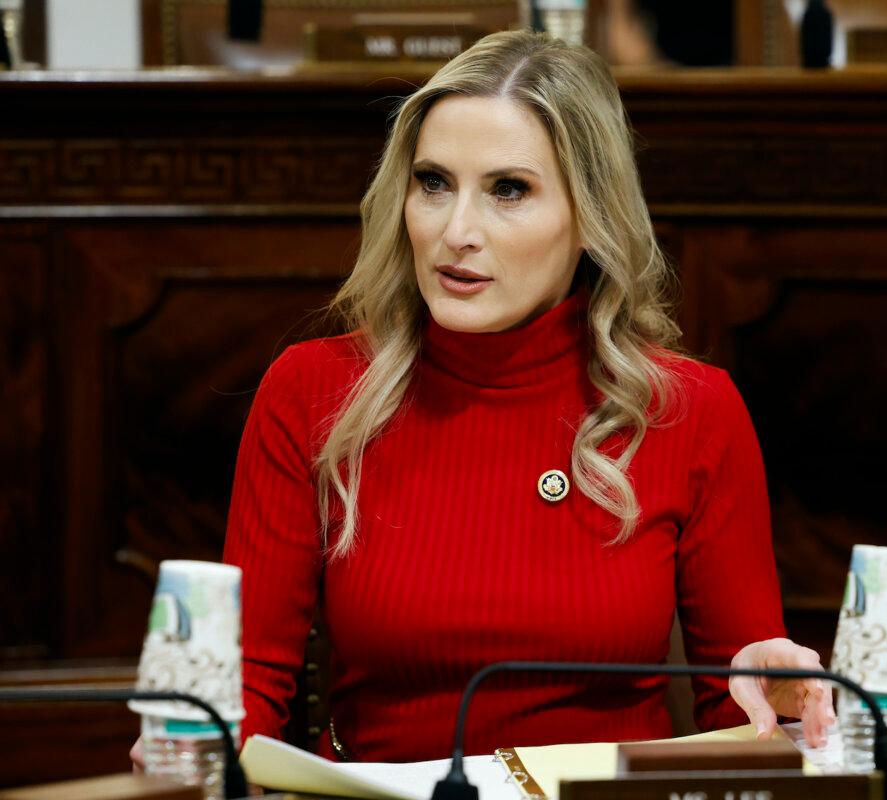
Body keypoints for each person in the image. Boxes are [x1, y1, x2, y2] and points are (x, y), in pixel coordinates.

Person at [135, 29, 834, 767]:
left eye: (509, 190)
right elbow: (247, 685)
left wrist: (782, 709)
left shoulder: (692, 409)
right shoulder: (311, 391)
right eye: (433, 182)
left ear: (591, 220)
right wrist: (195, 751)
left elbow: (743, 710)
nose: (455, 231)